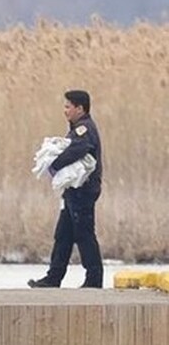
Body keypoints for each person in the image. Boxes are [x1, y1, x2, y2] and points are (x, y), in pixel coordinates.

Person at [29, 89, 104, 289]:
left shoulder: (84, 129)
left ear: (80, 108)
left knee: (84, 234)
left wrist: (55, 164)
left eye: (68, 106)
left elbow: (78, 149)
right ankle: (53, 278)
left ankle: (94, 279)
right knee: (63, 234)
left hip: (83, 191)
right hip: (73, 191)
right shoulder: (77, 127)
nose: (65, 111)